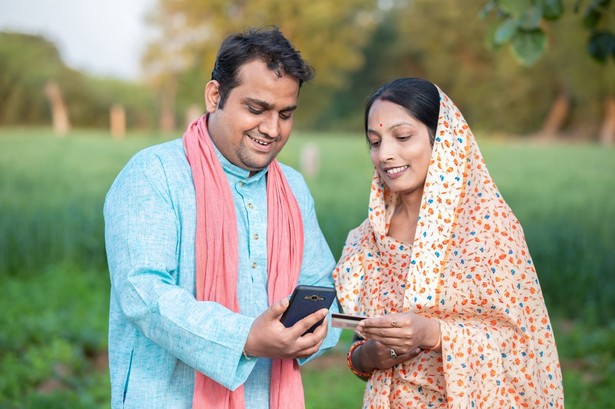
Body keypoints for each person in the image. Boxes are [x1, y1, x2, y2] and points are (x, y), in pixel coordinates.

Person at [104, 26, 341, 409]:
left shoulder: (292, 188)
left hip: (267, 397)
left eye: (285, 114)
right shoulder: (154, 173)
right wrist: (245, 337)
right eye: (256, 108)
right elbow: (143, 292)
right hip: (166, 397)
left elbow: (319, 286)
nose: (272, 129)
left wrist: (313, 331)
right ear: (215, 96)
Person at [334, 78, 564, 408]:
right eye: (374, 142)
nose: (385, 154)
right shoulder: (367, 239)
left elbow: (524, 347)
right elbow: (359, 351)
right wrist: (369, 356)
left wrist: (432, 334)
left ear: (442, 139)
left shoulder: (488, 229)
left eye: (402, 137)